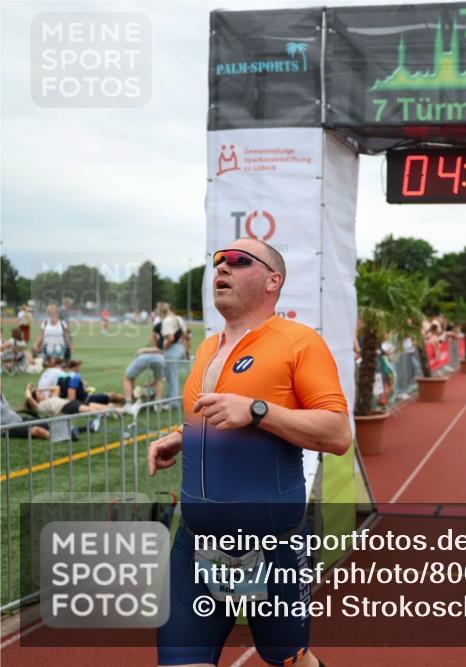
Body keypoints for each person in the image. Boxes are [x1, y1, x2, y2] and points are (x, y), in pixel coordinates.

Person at [148, 238, 350, 667]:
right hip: (197, 544)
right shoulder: (207, 348)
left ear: (273, 280)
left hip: (273, 546)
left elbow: (337, 434)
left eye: (238, 262)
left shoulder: (300, 342)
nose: (221, 268)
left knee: (288, 660)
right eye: (218, 261)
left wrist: (258, 411)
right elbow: (223, 418)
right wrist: (183, 437)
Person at [153, 302, 189, 402]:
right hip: (180, 347)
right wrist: (185, 349)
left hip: (172, 349)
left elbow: (170, 338)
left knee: (171, 377)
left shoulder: (167, 321)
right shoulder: (178, 318)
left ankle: (173, 402)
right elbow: (185, 334)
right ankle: (170, 398)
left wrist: (163, 348)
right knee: (171, 375)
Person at [122, 346, 166, 413]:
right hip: (159, 357)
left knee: (128, 377)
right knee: (159, 378)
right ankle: (157, 403)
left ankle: (128, 403)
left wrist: (143, 350)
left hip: (143, 356)